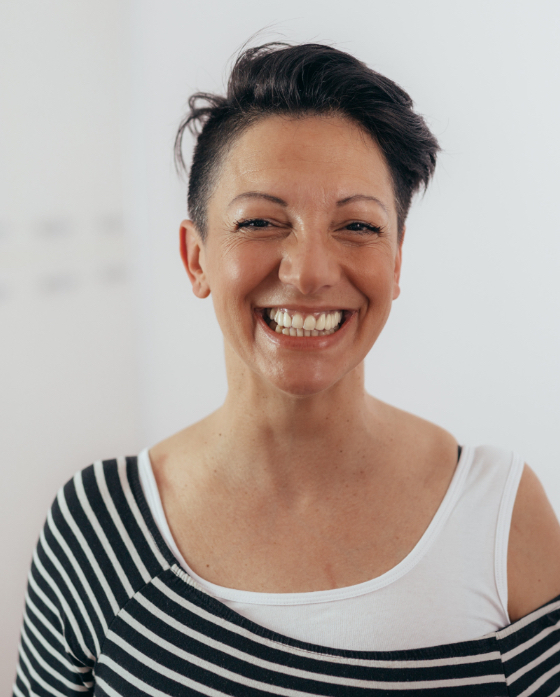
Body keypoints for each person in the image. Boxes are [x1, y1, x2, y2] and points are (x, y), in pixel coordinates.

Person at [13, 42, 560, 696]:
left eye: (356, 224)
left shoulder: (497, 516)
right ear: (195, 258)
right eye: (262, 221)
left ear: (396, 260)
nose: (309, 272)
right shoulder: (98, 531)